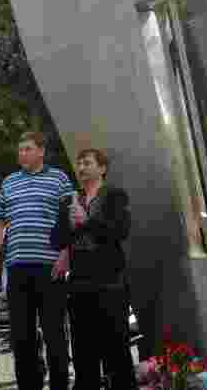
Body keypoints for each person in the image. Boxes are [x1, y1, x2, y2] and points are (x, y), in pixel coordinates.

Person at [0, 131, 74, 390]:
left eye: (27, 149)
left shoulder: (59, 179)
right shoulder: (9, 182)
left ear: (41, 151)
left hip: (51, 267)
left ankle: (59, 384)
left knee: (54, 333)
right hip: (17, 267)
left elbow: (71, 220)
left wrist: (65, 255)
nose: (21, 154)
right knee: (21, 336)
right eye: (20, 149)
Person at [51, 148, 134, 390]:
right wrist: (68, 223)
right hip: (79, 287)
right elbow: (56, 240)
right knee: (83, 354)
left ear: (102, 168)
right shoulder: (68, 200)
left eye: (87, 163)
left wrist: (86, 221)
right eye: (79, 163)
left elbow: (120, 231)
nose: (82, 167)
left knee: (116, 352)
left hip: (110, 284)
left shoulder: (115, 196)